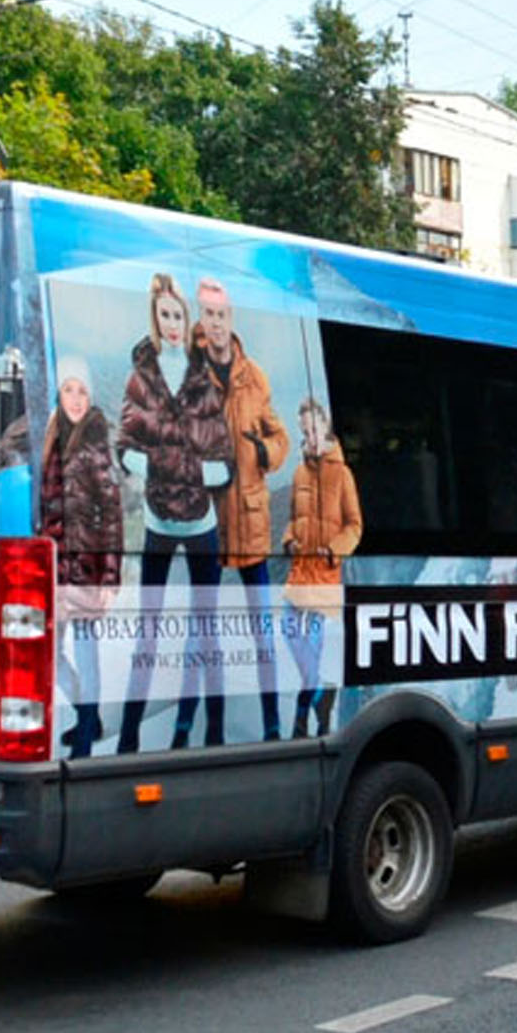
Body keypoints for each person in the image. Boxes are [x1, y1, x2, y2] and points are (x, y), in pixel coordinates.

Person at [116, 273, 234, 752]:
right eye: (164, 315)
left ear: (187, 321)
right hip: (158, 521)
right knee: (147, 634)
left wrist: (183, 469)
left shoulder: (204, 382)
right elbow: (124, 448)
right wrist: (170, 467)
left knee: (207, 632)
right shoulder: (140, 379)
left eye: (178, 316)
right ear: (155, 318)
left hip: (202, 521)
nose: (171, 323)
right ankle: (128, 736)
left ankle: (215, 733)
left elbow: (224, 462)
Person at [195, 278, 291, 739]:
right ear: (201, 320)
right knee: (206, 634)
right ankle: (212, 729)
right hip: (207, 520)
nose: (216, 323)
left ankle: (272, 723)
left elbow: (281, 437)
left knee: (262, 633)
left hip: (251, 523)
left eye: (221, 314)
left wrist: (264, 451)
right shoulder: (189, 375)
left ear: (230, 319)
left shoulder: (255, 376)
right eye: (208, 314)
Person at [40, 355, 123, 759]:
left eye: (82, 391)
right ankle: (87, 715)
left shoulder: (93, 443)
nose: (75, 398)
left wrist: (110, 577)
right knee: (50, 654)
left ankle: (87, 733)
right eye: (68, 389)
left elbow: (112, 513)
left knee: (87, 655)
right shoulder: (52, 440)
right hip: (55, 569)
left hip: (87, 569)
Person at [281, 399, 362, 739]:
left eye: (313, 430)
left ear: (325, 427)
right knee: (288, 632)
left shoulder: (342, 474)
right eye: (304, 432)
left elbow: (355, 526)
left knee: (312, 655)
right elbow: (292, 519)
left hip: (325, 580)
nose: (310, 438)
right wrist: (288, 540)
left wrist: (332, 552)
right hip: (298, 578)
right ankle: (321, 697)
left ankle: (302, 722)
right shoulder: (299, 472)